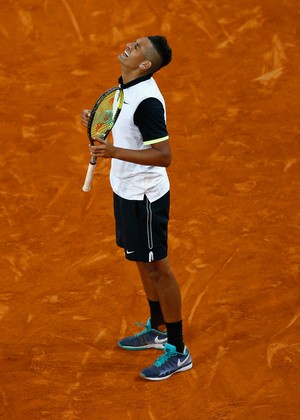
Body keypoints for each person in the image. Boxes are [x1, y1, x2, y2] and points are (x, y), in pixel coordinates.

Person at [81, 36, 192, 381]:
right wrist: (98, 126)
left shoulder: (147, 102)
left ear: (146, 65)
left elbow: (164, 156)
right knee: (141, 261)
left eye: (140, 47)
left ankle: (177, 350)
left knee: (158, 267)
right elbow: (130, 133)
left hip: (145, 196)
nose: (131, 44)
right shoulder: (125, 89)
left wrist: (113, 153)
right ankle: (157, 327)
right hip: (125, 189)